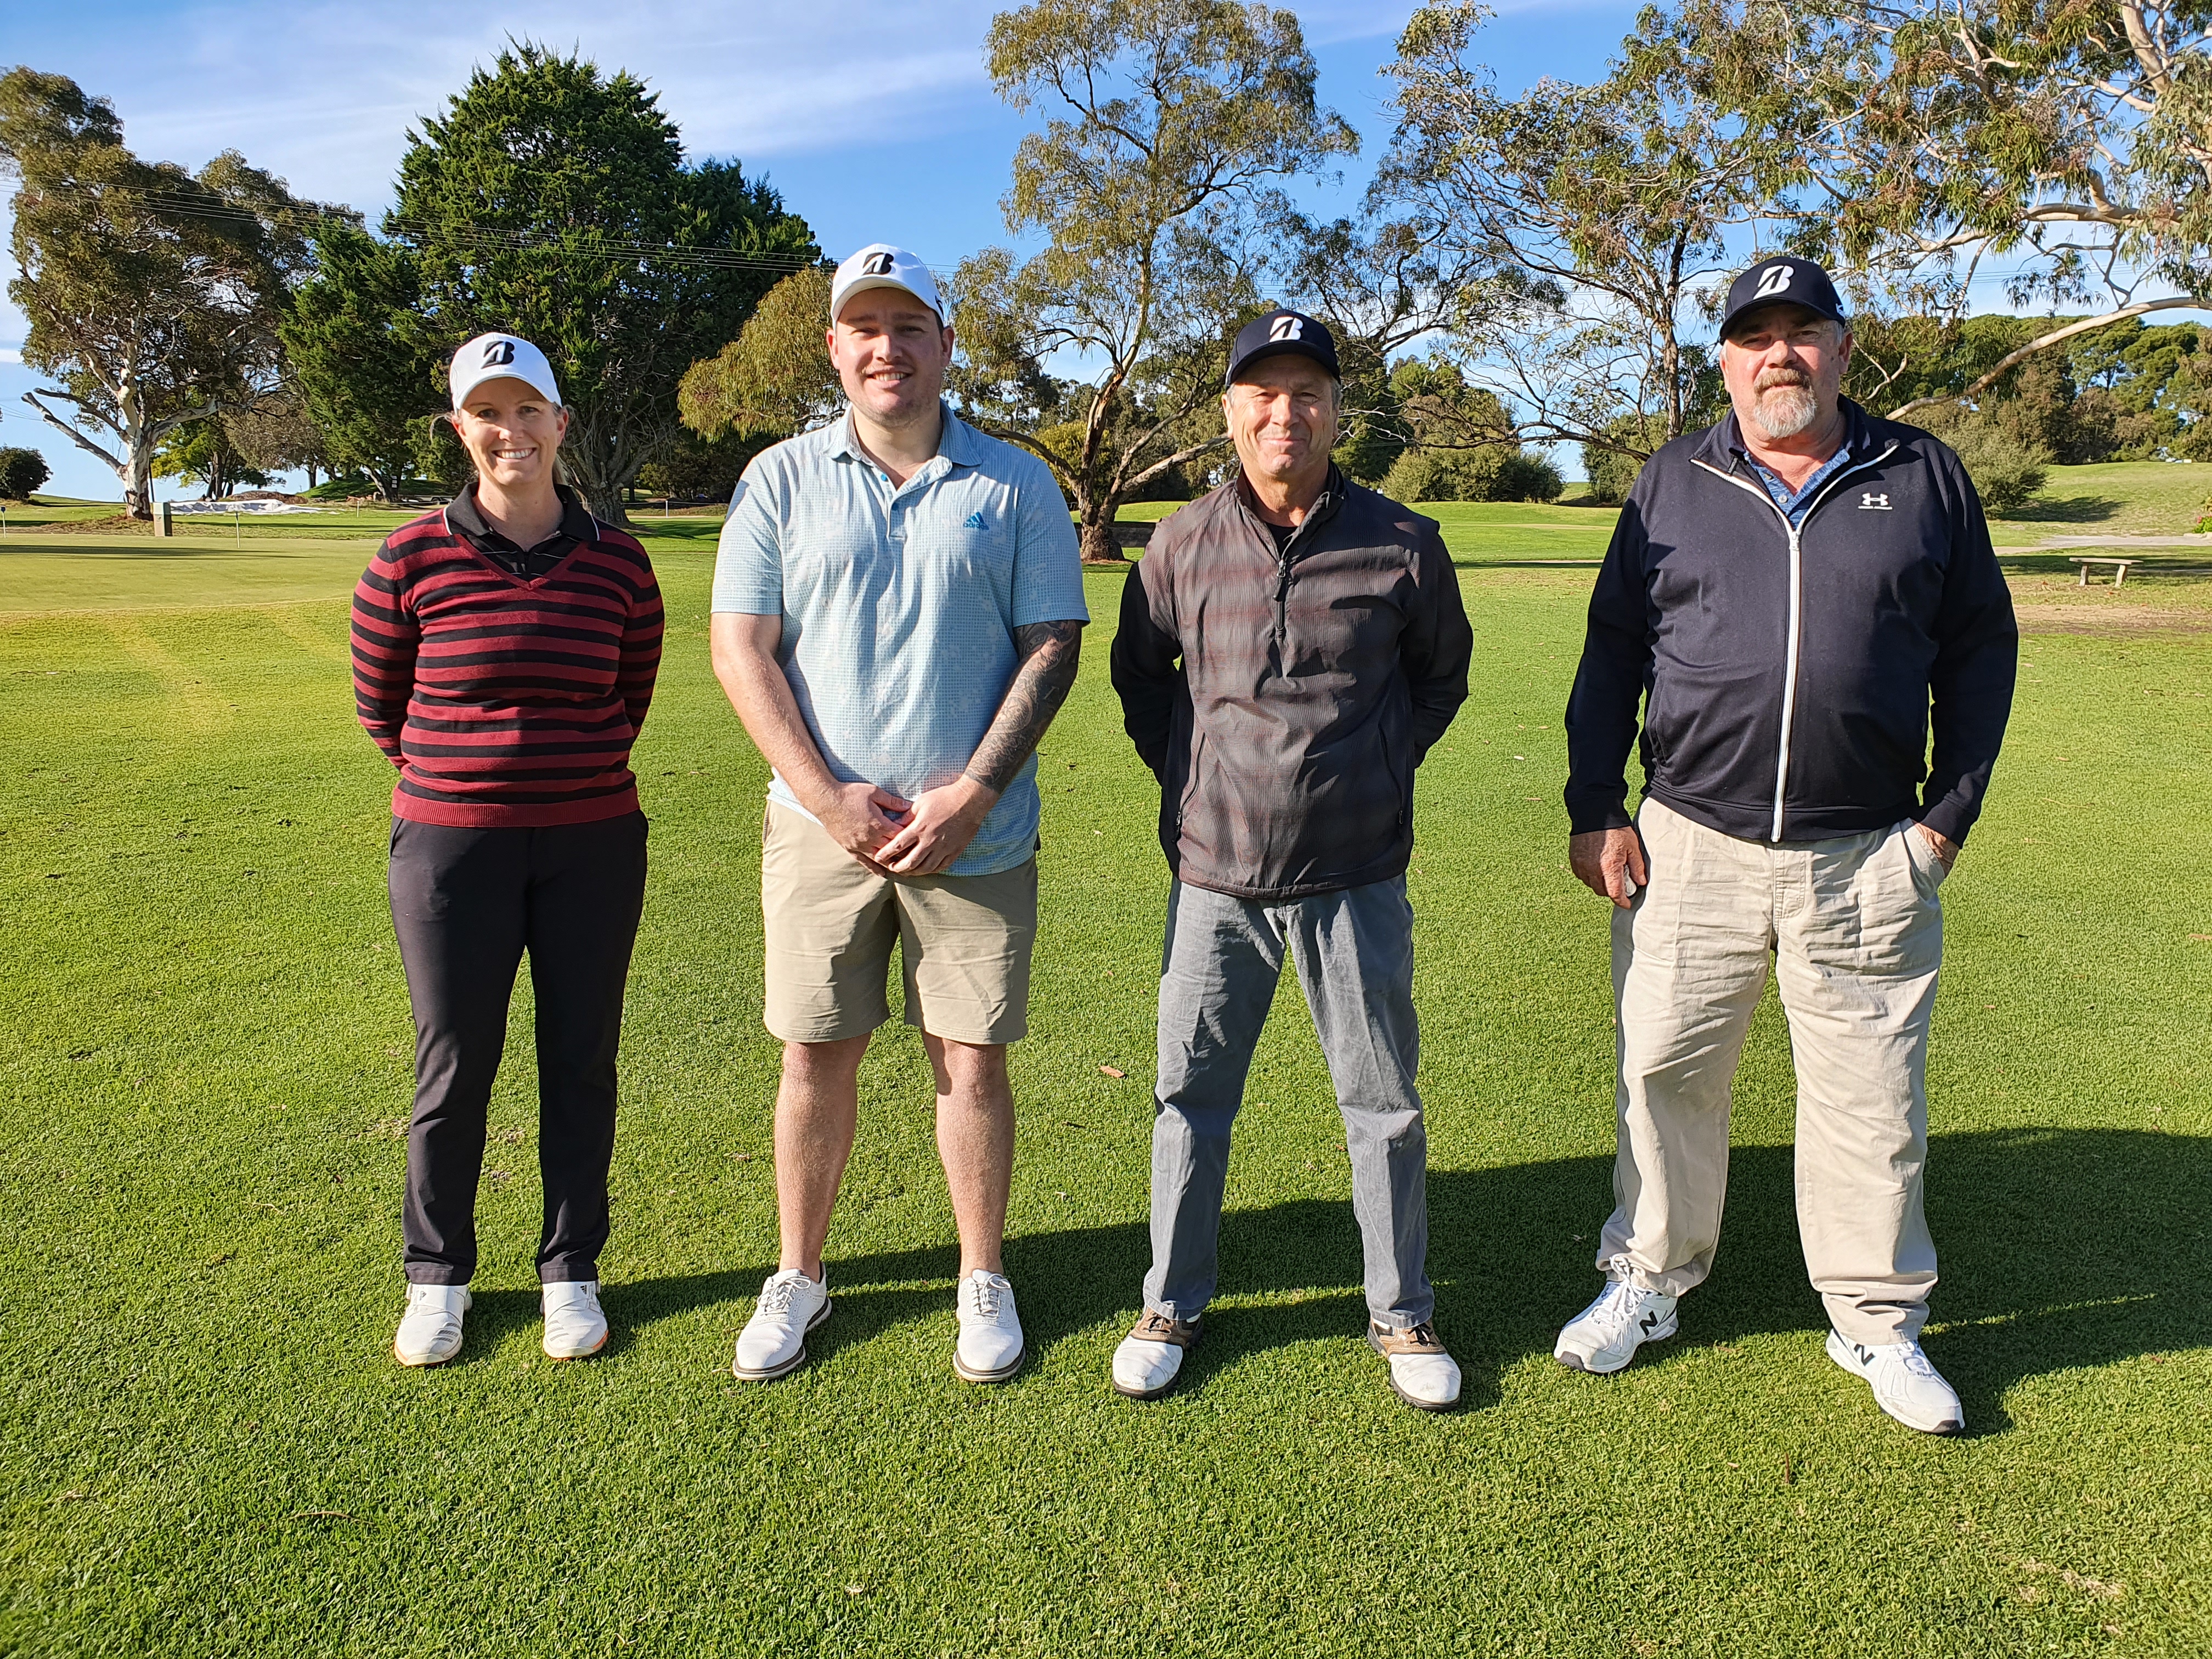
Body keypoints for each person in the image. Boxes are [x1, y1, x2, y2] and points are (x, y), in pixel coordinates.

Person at [1556, 257, 2018, 1434]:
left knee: (1870, 1100)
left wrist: (1944, 822)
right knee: (1661, 1074)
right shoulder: (1675, 479)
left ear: (1842, 348)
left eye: (1802, 332)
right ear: (1724, 359)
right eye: (1754, 336)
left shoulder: (1921, 476)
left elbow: (1981, 653)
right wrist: (1594, 802)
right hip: (1689, 846)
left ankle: (1875, 1321)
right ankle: (1649, 1279)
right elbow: (1614, 652)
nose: (1779, 355)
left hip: (1867, 851)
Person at [710, 244, 1087, 1386]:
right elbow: (743, 647)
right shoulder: (778, 479)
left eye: (908, 326)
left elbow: (1054, 643)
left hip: (977, 836)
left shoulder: (1014, 482)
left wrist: (973, 790)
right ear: (833, 347)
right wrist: (827, 798)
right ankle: (801, 1276)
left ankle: (983, 1277)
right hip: (819, 830)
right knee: (815, 1055)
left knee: (970, 1063)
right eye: (863, 328)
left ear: (945, 344)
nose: (886, 348)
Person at [1108, 309, 1474, 1412]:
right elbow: (1141, 678)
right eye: (1261, 394)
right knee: (1188, 1100)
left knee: (1383, 1105)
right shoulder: (1178, 543)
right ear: (1230, 411)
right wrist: (1191, 779)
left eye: (1306, 391)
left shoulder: (1402, 542)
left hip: (1353, 876)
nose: (1285, 412)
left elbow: (1439, 678)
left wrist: (1374, 764)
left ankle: (1402, 1315)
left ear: (1334, 408)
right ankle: (1171, 1301)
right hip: (1214, 877)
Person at [353, 332, 664, 1368]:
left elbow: (629, 697)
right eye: (488, 412)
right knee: (454, 1064)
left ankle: (571, 1270)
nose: (509, 430)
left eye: (528, 410)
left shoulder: (619, 560)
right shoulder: (409, 556)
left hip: (592, 844)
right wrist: (469, 777)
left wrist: (551, 776)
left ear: (560, 425)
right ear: (461, 430)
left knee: (580, 1060)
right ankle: (437, 1275)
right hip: (451, 849)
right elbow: (381, 707)